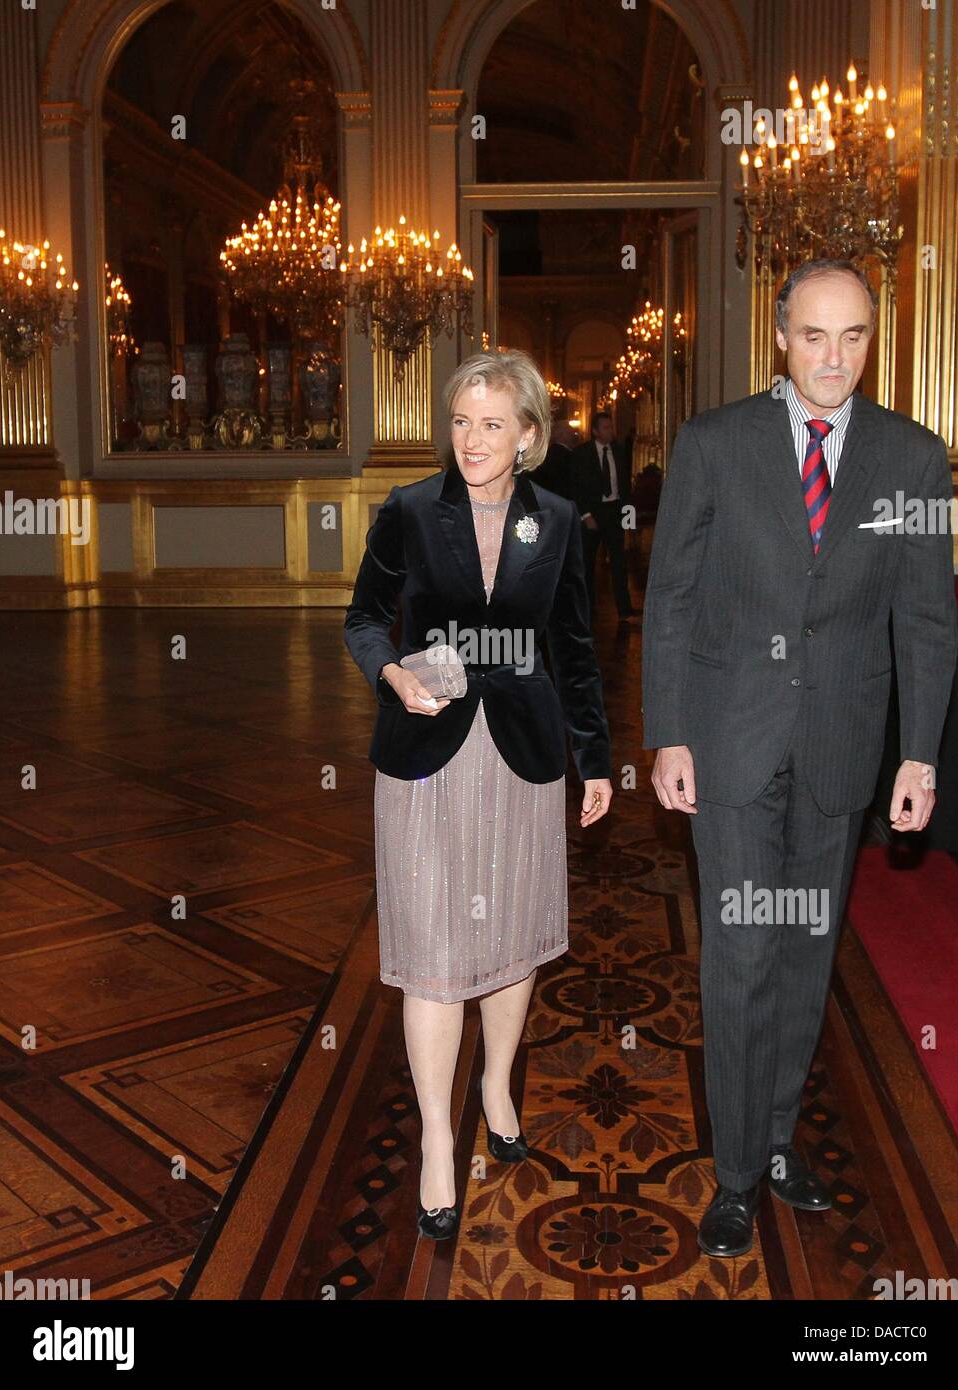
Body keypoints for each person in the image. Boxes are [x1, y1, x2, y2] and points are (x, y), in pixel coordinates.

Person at [642, 258, 957, 1259]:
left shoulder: (911, 457)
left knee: (805, 952)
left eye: (852, 336)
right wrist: (667, 731)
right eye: (813, 335)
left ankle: (776, 1136)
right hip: (729, 741)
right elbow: (671, 599)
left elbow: (925, 616)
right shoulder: (713, 443)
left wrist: (918, 757)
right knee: (739, 955)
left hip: (839, 747)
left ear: (874, 339)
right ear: (780, 336)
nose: (832, 357)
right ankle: (735, 1173)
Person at [344, 348, 613, 1241]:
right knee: (429, 945)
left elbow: (575, 648)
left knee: (507, 933)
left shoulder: (561, 520)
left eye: (492, 423)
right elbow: (362, 620)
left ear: (529, 435)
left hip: (524, 752)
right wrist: (390, 676)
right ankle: (433, 1138)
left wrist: (598, 760)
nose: (471, 439)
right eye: (461, 420)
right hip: (427, 746)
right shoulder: (412, 511)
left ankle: (497, 1083)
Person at [571, 411, 640, 620]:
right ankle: (587, 609)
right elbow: (576, 488)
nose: (611, 431)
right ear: (595, 431)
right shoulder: (582, 454)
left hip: (614, 512)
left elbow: (625, 487)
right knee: (588, 565)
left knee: (619, 563)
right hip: (592, 513)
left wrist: (630, 517)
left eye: (611, 427)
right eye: (606, 428)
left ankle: (624, 608)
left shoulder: (618, 452)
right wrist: (586, 515)